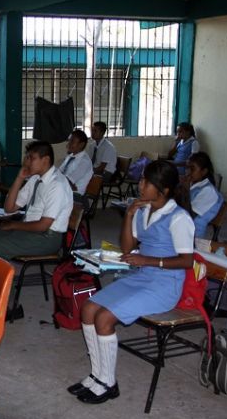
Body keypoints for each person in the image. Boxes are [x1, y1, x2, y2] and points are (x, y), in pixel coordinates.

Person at [70, 160, 194, 404]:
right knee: (88, 309)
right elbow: (128, 248)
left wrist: (149, 259)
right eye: (142, 180)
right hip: (141, 276)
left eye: (147, 182)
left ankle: (108, 382)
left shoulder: (179, 218)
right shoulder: (143, 209)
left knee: (104, 317)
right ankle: (96, 374)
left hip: (165, 285)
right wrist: (128, 216)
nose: (140, 184)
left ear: (164, 190)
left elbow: (187, 261)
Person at [0, 141, 73, 260]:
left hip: (46, 238)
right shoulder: (35, 179)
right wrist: (19, 178)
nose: (26, 162)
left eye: (31, 158)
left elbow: (43, 226)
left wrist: (14, 225)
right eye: (27, 157)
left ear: (45, 160)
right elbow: (9, 208)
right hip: (28, 230)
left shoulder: (57, 185)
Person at [185, 152, 223, 239]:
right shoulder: (193, 186)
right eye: (187, 168)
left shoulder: (209, 191)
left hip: (192, 235)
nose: (188, 172)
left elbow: (189, 216)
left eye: (192, 169)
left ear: (204, 171)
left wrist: (185, 191)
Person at [58, 129, 93, 201]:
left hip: (76, 196)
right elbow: (59, 173)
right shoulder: (70, 156)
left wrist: (69, 183)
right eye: (69, 141)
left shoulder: (84, 162)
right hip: (66, 190)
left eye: (72, 141)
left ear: (81, 144)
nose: (68, 144)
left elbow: (68, 181)